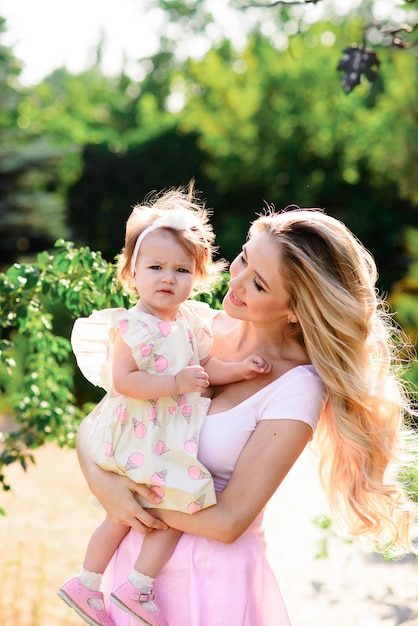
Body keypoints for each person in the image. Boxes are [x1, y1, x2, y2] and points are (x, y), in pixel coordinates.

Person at [76, 205, 416, 626]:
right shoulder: (192, 325)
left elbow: (229, 521)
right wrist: (100, 481)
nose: (234, 281)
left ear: (295, 308)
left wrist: (130, 499)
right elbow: (102, 420)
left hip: (212, 582)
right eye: (243, 258)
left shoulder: (297, 387)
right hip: (131, 568)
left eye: (257, 283)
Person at [58, 187, 272, 626]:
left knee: (163, 509)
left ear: (197, 276)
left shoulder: (191, 320)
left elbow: (206, 366)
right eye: (155, 267)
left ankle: (129, 585)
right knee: (144, 509)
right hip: (137, 430)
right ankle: (93, 580)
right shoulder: (131, 327)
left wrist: (240, 369)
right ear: (131, 273)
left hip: (165, 435)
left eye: (180, 269)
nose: (167, 278)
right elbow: (125, 381)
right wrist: (175, 382)